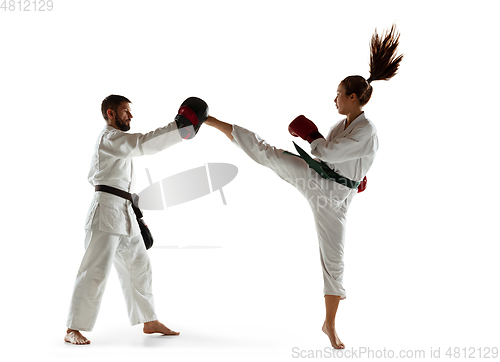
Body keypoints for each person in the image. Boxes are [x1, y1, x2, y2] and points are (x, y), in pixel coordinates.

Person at [204, 25, 403, 349]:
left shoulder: (368, 130)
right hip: (318, 180)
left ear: (352, 97)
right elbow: (333, 159)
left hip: (336, 201)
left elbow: (325, 150)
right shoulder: (343, 124)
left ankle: (329, 324)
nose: (334, 98)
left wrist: (312, 137)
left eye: (338, 93)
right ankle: (210, 120)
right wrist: (355, 174)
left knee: (334, 259)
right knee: (267, 153)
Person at [65, 95, 193, 345]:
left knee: (139, 265)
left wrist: (134, 209)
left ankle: (148, 319)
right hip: (105, 211)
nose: (130, 116)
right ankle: (73, 328)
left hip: (124, 209)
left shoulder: (118, 141)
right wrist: (178, 127)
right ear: (111, 113)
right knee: (95, 270)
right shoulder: (110, 138)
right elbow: (143, 144)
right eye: (125, 111)